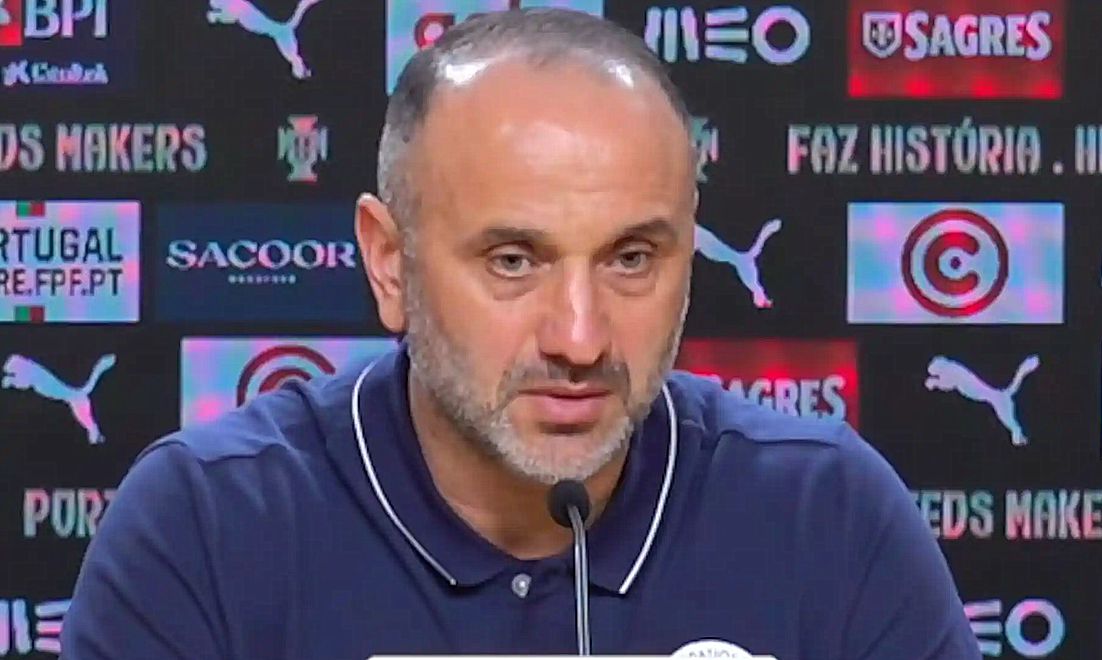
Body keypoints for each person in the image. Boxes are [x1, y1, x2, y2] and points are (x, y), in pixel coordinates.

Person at [61, 8, 979, 660]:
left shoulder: (827, 515)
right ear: (390, 263)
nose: (579, 338)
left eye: (630, 258)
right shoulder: (207, 525)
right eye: (512, 261)